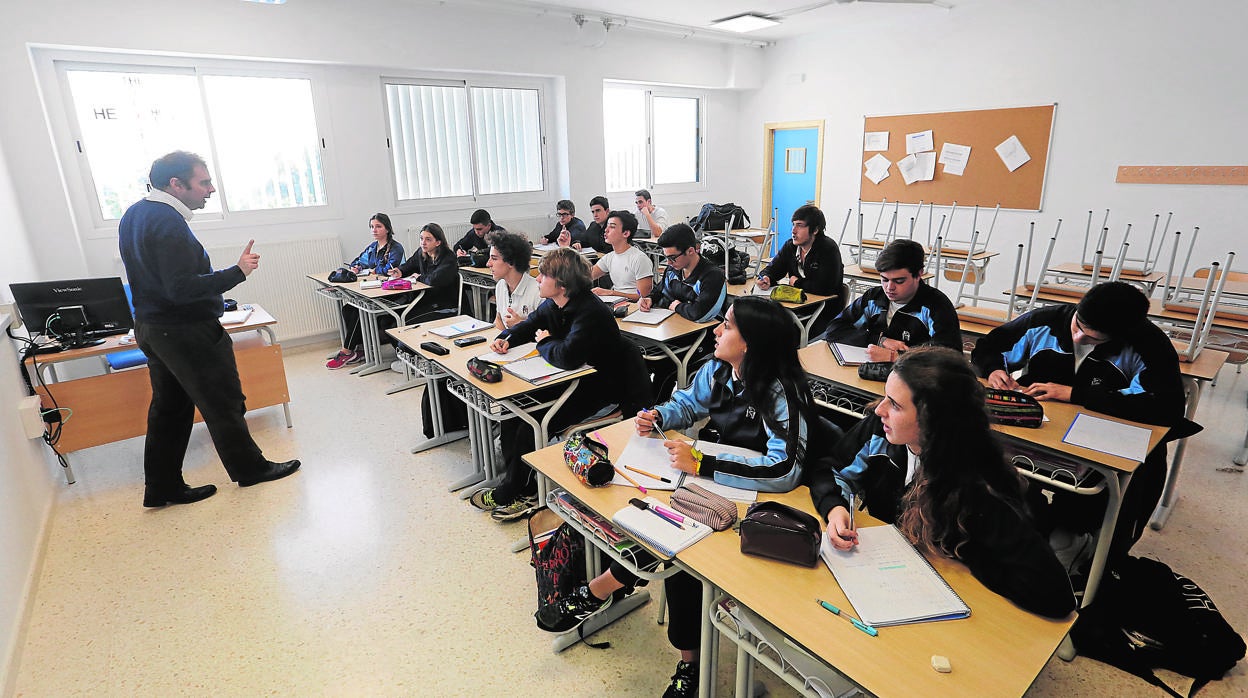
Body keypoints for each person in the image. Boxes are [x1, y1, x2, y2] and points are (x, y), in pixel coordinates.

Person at [538, 296, 820, 698]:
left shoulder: (782, 392)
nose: (717, 331)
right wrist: (659, 417)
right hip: (711, 484)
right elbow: (688, 404)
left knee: (683, 552)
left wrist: (703, 464)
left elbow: (785, 469)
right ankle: (609, 589)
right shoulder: (720, 369)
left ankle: (683, 658)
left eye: (727, 326)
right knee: (650, 516)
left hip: (758, 499)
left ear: (752, 342)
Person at [811, 346, 1077, 619]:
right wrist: (836, 509)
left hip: (941, 601)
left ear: (932, 421)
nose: (880, 410)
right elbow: (830, 468)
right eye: (885, 397)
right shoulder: (882, 431)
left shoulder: (978, 485)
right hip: (889, 578)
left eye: (895, 404)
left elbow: (1054, 595)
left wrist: (965, 556)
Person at [118, 151, 300, 507]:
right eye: (203, 182)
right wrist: (237, 272)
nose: (211, 189)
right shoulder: (168, 222)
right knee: (222, 401)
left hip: (153, 328)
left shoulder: (135, 214)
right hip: (185, 331)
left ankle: (161, 487)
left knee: (168, 410)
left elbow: (166, 279)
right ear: (176, 184)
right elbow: (181, 287)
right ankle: (251, 469)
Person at [969, 281, 1192, 566]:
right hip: (1044, 427)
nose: (1076, 338)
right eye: (1077, 326)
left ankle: (1083, 541)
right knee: (995, 462)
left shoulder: (1148, 343)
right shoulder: (1048, 320)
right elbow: (989, 346)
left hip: (1104, 436)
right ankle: (1024, 521)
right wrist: (995, 369)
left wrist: (1076, 394)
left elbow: (1164, 408)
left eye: (1091, 338)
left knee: (1123, 482)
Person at [471, 248, 652, 521]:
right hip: (574, 382)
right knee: (514, 414)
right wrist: (507, 337)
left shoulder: (590, 312)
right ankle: (518, 483)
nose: (538, 279)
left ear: (562, 285)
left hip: (603, 390)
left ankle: (524, 493)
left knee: (532, 423)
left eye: (544, 275)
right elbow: (531, 324)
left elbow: (567, 357)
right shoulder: (555, 303)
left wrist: (544, 342)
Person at [820, 239, 961, 361]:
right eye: (884, 279)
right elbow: (834, 330)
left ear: (919, 274)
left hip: (914, 383)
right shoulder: (873, 298)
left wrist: (895, 358)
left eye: (899, 281)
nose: (889, 288)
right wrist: (880, 341)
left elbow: (950, 358)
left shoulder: (937, 306)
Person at [326, 213, 406, 368]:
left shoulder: (396, 248)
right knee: (348, 309)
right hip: (374, 291)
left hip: (393, 293)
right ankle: (359, 349)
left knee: (357, 311)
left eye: (378, 226)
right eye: (372, 227)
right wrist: (356, 267)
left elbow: (389, 268)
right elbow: (357, 261)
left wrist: (374, 269)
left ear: (387, 228)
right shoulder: (373, 247)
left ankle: (346, 351)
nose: (374, 230)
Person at [756, 204, 845, 338]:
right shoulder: (790, 246)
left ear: (815, 230)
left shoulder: (828, 249)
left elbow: (825, 288)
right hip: (796, 307)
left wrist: (797, 283)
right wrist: (766, 277)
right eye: (793, 225)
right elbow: (774, 268)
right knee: (759, 324)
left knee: (778, 335)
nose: (793, 230)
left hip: (823, 312)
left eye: (800, 225)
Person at [640, 223, 726, 323]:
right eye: (666, 257)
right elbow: (660, 290)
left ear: (690, 251)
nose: (668, 263)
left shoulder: (713, 276)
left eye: (672, 258)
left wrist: (677, 306)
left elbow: (699, 314)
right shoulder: (672, 270)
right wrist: (650, 299)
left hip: (700, 333)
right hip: (674, 325)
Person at [590, 210, 654, 302]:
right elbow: (585, 276)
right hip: (617, 303)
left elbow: (643, 297)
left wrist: (611, 293)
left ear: (626, 233)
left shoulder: (639, 258)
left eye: (612, 227)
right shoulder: (609, 257)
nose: (606, 230)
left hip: (635, 307)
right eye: (607, 226)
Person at [488, 230, 540, 330]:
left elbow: (549, 334)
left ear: (511, 262)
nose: (488, 264)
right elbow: (499, 320)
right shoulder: (501, 285)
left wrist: (522, 326)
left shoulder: (538, 292)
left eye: (494, 258)